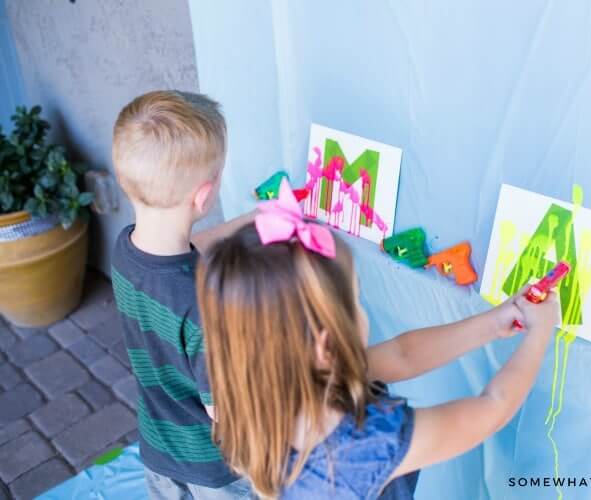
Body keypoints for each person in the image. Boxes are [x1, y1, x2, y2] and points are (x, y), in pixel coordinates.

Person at [196, 180, 560, 499]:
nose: (361, 307)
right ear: (325, 347)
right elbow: (491, 409)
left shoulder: (267, 390)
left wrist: (494, 323)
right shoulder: (366, 448)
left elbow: (403, 355)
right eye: (357, 299)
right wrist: (540, 332)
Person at [111, 90, 253, 499]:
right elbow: (225, 414)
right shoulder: (203, 307)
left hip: (157, 449)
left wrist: (252, 220)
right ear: (204, 196)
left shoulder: (126, 249)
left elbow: (193, 246)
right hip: (213, 470)